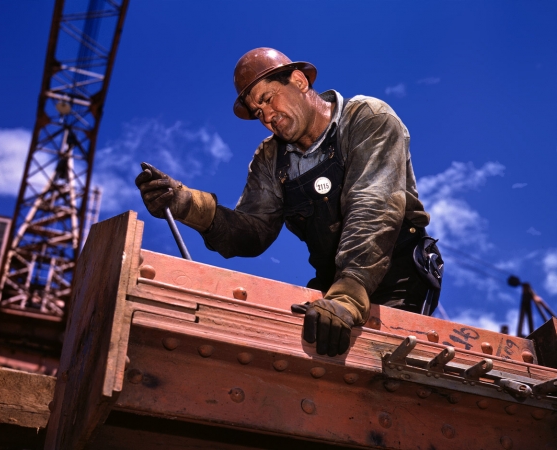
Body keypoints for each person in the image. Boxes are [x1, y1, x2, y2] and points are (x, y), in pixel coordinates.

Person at [135, 48, 443, 358]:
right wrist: (187, 204)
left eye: (267, 99)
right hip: (331, 289)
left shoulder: (367, 118)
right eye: (257, 112)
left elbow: (373, 205)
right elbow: (253, 230)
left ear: (298, 81)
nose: (267, 117)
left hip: (395, 281)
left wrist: (349, 296)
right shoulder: (271, 158)